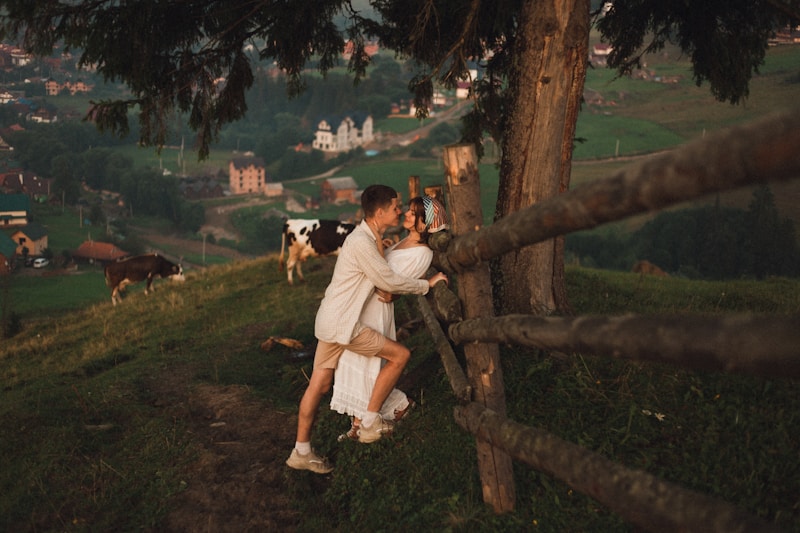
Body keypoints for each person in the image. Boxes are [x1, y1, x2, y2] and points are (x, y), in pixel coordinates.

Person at [286, 185, 448, 474]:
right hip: (345, 325)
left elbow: (382, 271)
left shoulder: (369, 236)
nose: (400, 212)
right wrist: (428, 284)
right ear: (380, 212)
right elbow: (388, 280)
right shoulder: (362, 241)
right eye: (397, 208)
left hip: (330, 320)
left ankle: (301, 450)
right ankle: (371, 422)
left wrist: (382, 247)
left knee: (319, 386)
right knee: (400, 356)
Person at [330, 195, 449, 441]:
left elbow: (388, 289)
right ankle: (361, 421)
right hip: (363, 306)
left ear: (425, 225)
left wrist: (426, 283)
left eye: (414, 214)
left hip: (375, 311)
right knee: (355, 360)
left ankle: (371, 419)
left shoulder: (421, 254)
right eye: (408, 210)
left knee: (370, 363)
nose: (406, 214)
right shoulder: (403, 242)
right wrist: (381, 250)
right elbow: (381, 272)